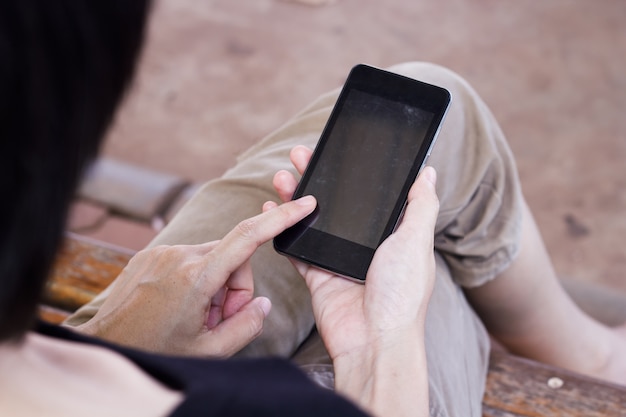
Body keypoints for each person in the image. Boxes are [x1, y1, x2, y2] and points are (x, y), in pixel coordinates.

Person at [1, 2, 624, 417]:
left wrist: (113, 336)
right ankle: (588, 356)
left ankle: (575, 346)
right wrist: (381, 344)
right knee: (426, 262)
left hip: (62, 354)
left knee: (426, 120)